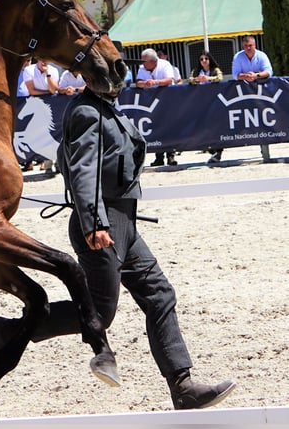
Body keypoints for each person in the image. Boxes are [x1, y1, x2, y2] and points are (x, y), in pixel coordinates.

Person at [15, 78, 236, 411]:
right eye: (113, 76)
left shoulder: (104, 109)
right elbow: (83, 170)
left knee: (160, 294)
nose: (120, 83)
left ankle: (183, 386)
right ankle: (10, 331)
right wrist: (95, 222)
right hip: (103, 225)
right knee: (101, 312)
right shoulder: (87, 112)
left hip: (123, 224)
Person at [232, 36, 273, 161]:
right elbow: (235, 75)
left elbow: (269, 71)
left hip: (262, 94)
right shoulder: (238, 57)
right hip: (244, 95)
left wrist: (256, 75)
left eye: (250, 45)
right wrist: (246, 76)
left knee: (263, 120)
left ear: (254, 45)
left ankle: (265, 151)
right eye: (245, 46)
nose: (248, 48)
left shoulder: (261, 56)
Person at [136, 49, 177, 167]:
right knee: (156, 127)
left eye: (145, 61)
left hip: (168, 101)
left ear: (152, 61)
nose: (143, 64)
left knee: (169, 128)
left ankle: (171, 156)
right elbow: (138, 82)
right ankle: (159, 157)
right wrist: (145, 83)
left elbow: (169, 80)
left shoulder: (165, 64)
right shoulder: (142, 68)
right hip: (152, 103)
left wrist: (155, 82)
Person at [188, 52, 224, 163]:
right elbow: (190, 80)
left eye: (206, 58)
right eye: (201, 59)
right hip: (200, 103)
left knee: (214, 127)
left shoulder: (215, 69)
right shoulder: (196, 71)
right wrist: (198, 80)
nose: (204, 61)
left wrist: (208, 78)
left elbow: (220, 78)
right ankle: (211, 150)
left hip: (213, 102)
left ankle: (218, 151)